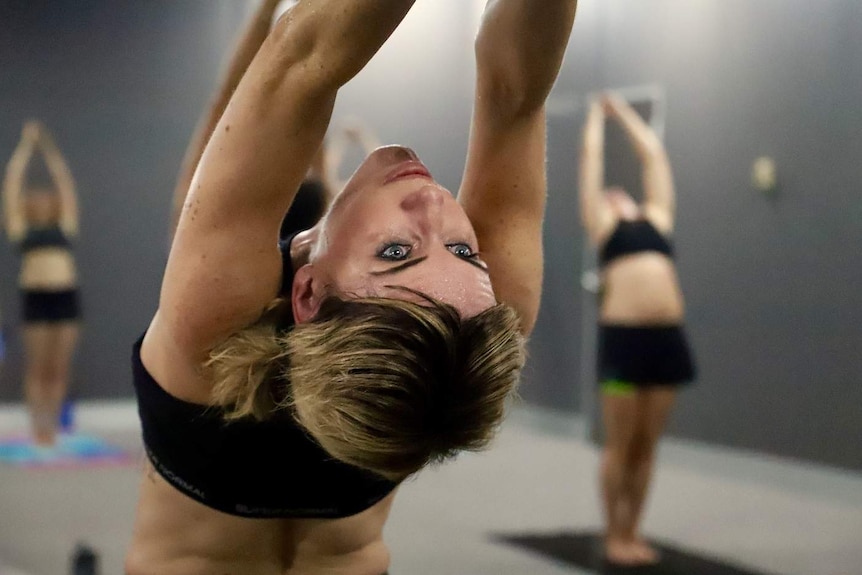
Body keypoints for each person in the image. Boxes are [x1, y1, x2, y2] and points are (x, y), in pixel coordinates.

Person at [126, 0, 578, 574]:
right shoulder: (481, 325)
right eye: (464, 251)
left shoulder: (215, 327)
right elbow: (517, 92)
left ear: (310, 295)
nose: (436, 206)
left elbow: (303, 61)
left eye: (397, 253)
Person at [579, 94, 696, 566]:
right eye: (607, 195)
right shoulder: (605, 228)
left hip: (667, 342)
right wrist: (593, 119)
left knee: (648, 446)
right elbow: (591, 164)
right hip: (624, 344)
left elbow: (654, 156)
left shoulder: (658, 220)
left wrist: (623, 113)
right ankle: (612, 533)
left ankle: (632, 531)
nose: (613, 194)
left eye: (619, 192)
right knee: (620, 445)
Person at [2, 120, 81, 447]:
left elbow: (65, 184)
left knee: (58, 368)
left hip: (65, 297)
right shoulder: (21, 230)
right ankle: (38, 427)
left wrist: (47, 148)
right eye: (32, 197)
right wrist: (24, 148)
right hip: (35, 297)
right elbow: (11, 185)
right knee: (37, 368)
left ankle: (54, 426)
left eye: (44, 196)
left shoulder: (65, 226)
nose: (40, 198)